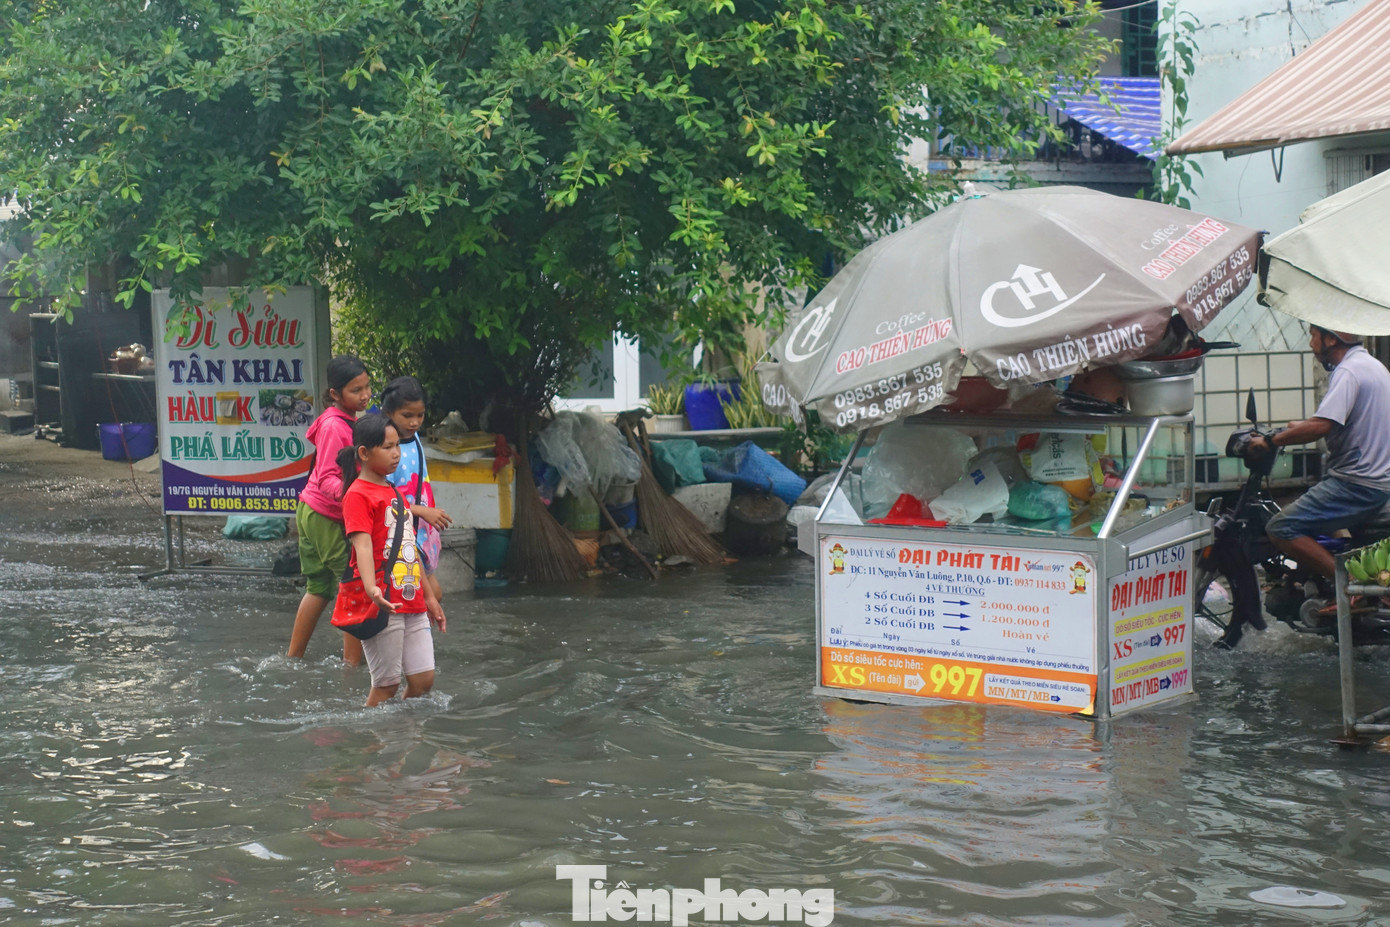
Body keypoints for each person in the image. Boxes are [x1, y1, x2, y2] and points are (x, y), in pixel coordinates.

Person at [1250, 325, 1390, 583]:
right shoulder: (1373, 366)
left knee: (1281, 527)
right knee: (1322, 516)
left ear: (1331, 340)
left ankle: (1348, 585)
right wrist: (1298, 428)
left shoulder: (1348, 372)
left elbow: (1321, 426)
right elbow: (1343, 421)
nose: (1310, 342)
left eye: (1313, 335)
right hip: (1377, 480)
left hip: (1355, 485)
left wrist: (1270, 441)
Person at [334, 413, 446, 707]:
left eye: (397, 446)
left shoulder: (395, 493)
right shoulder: (357, 495)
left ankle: (403, 733)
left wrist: (429, 597)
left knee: (423, 681)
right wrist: (372, 589)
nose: (396, 453)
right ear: (364, 453)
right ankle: (371, 735)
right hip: (383, 600)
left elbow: (409, 546)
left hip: (411, 596)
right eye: (387, 447)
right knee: (387, 685)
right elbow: (362, 545)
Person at [288, 355, 373, 664]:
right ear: (335, 394)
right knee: (354, 584)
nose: (364, 395)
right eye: (356, 390)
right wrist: (356, 497)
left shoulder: (344, 420)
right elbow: (326, 479)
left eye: (367, 387)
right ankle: (352, 667)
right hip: (324, 515)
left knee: (319, 588)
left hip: (312, 511)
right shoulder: (335, 426)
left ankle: (293, 658)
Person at [380, 376, 453, 602]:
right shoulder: (387, 451)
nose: (415, 422)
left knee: (428, 597)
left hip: (421, 529)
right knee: (428, 596)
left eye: (420, 415)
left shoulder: (414, 439)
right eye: (407, 416)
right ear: (389, 413)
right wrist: (422, 511)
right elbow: (383, 498)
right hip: (401, 532)